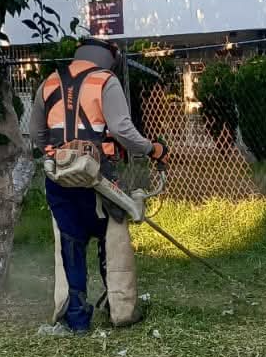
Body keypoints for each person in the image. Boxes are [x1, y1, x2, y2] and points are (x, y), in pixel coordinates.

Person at [26, 37, 167, 334]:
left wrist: (57, 154)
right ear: (109, 58)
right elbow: (121, 129)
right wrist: (152, 149)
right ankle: (119, 310)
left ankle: (76, 320)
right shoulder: (106, 81)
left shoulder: (49, 83)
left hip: (60, 179)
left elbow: (36, 132)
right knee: (112, 243)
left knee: (70, 245)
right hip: (99, 179)